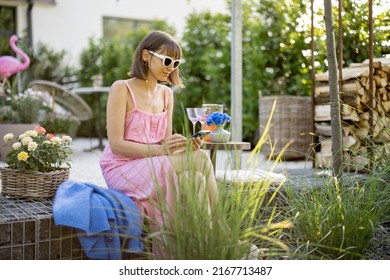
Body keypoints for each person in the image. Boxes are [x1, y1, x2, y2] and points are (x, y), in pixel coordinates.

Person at [99, 30, 218, 258]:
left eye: (175, 63)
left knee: (194, 178)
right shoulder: (121, 88)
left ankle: (196, 249)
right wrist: (162, 150)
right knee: (201, 160)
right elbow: (116, 145)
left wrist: (183, 146)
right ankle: (221, 229)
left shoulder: (166, 94)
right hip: (122, 167)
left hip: (154, 161)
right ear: (146, 55)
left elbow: (165, 142)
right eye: (166, 60)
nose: (170, 67)